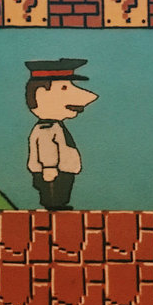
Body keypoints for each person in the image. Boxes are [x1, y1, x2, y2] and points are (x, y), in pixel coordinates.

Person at [24, 58, 98, 210]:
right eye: (64, 88)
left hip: (62, 171)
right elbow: (46, 149)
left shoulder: (54, 126)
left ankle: (58, 205)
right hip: (54, 172)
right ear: (41, 93)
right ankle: (54, 206)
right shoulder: (47, 127)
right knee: (53, 193)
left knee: (62, 192)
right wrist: (49, 168)